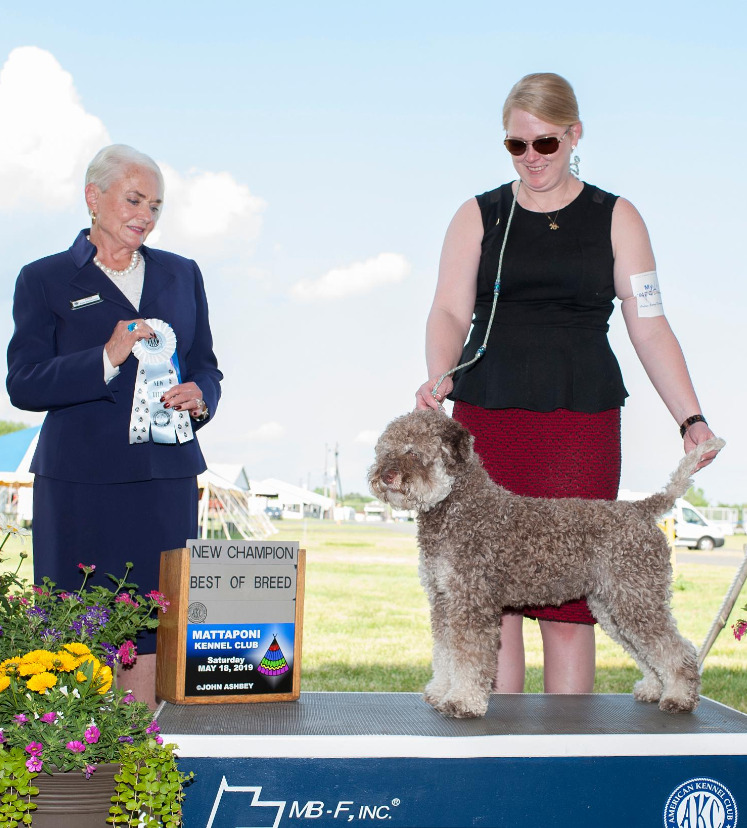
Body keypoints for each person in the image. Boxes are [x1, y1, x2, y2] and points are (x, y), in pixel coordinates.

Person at [415, 73, 720, 695]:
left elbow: (650, 325)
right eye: (516, 147)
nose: (531, 159)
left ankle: (564, 751)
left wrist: (691, 419)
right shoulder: (478, 214)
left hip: (578, 420)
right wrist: (439, 375)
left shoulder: (617, 216)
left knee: (570, 607)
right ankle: (490, 743)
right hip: (487, 416)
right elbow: (448, 308)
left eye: (545, 144)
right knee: (485, 595)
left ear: (575, 134)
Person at [6, 144, 223, 706]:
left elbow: (205, 363)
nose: (145, 216)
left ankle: (146, 755)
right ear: (93, 198)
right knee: (76, 623)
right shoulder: (44, 279)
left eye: (156, 205)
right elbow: (24, 383)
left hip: (165, 480)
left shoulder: (183, 273)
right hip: (80, 483)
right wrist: (106, 356)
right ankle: (78, 768)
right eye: (134, 199)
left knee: (158, 621)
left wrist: (202, 395)